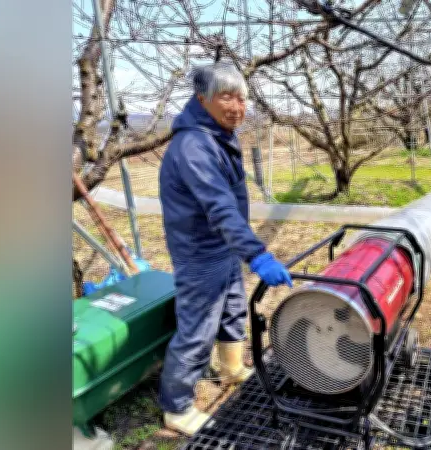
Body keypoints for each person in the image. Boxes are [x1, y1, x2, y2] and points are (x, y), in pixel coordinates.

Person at [157, 62, 293, 436]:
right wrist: (257, 254)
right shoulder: (193, 145)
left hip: (223, 247)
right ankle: (177, 408)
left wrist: (242, 250)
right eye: (227, 96)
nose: (237, 106)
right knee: (197, 329)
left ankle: (231, 369)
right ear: (203, 99)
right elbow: (219, 207)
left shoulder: (216, 134)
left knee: (232, 308)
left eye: (243, 98)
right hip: (200, 252)